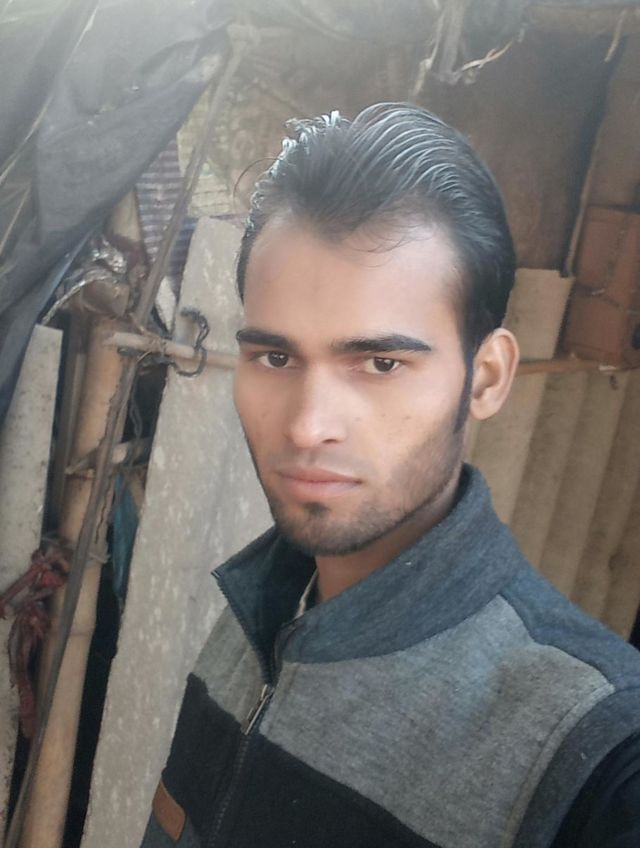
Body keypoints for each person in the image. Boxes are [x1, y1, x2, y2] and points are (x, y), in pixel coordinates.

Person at [141, 104, 640, 848]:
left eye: (380, 363)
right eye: (275, 357)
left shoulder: (597, 758)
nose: (307, 426)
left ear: (486, 377)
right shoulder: (260, 607)